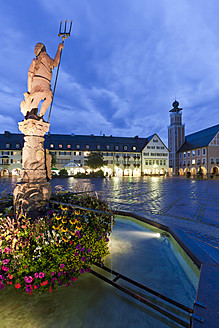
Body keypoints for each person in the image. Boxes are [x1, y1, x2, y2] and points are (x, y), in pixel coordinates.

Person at [20, 42, 64, 119]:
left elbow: (55, 63)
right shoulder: (35, 61)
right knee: (37, 97)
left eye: (37, 48)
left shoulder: (46, 58)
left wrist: (59, 49)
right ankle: (32, 114)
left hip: (46, 82)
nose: (36, 49)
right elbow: (30, 75)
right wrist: (29, 91)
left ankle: (40, 115)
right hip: (38, 81)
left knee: (49, 99)